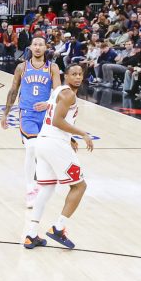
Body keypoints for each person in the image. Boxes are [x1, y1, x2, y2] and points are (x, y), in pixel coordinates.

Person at [24, 64, 94, 250]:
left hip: (44, 142)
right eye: (74, 74)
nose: (78, 77)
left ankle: (31, 234)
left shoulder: (59, 91)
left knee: (46, 190)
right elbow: (57, 120)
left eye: (80, 74)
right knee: (79, 186)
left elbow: (56, 117)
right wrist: (82, 133)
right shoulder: (68, 94)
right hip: (55, 144)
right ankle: (58, 227)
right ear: (66, 76)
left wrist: (69, 137)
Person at [2, 37, 61, 208]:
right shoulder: (22, 67)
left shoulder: (53, 68)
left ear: (45, 48)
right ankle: (30, 189)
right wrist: (5, 113)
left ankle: (41, 182)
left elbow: (58, 93)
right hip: (27, 114)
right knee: (32, 147)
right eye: (35, 44)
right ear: (30, 47)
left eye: (40, 44)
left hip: (46, 115)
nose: (37, 47)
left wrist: (49, 103)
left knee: (43, 152)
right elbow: (13, 91)